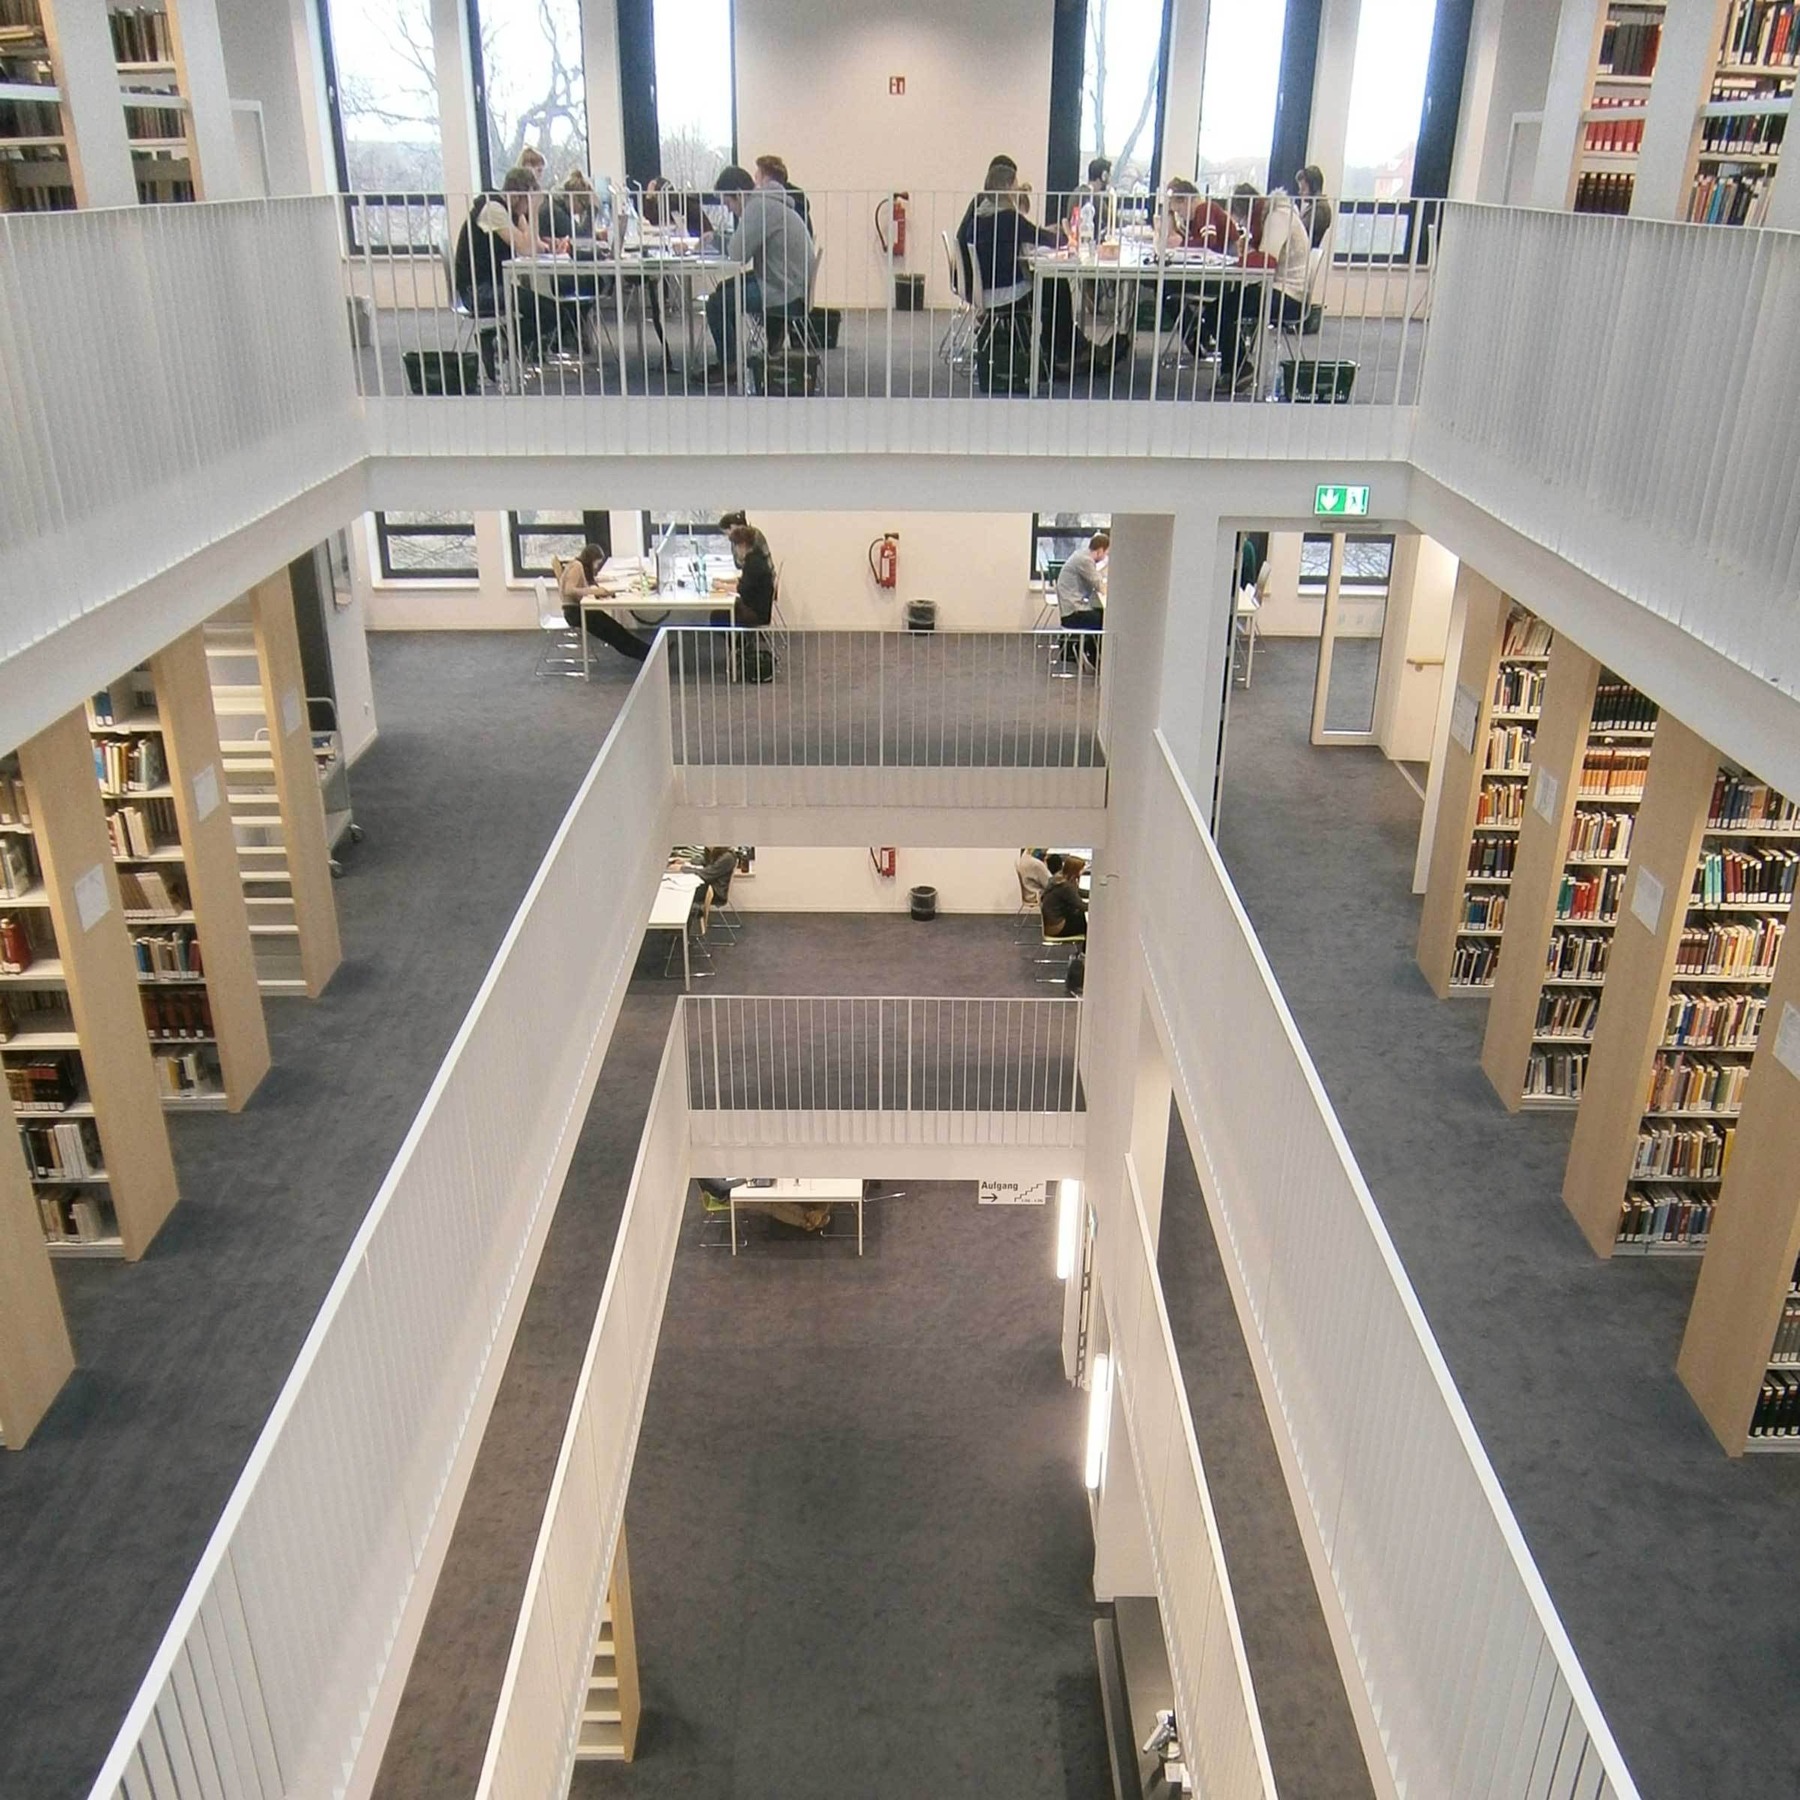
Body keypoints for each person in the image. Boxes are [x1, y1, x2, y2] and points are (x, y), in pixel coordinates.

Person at [451, 166, 579, 379]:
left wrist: (550, 245)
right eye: (529, 199)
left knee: (550, 309)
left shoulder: (509, 210)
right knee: (547, 313)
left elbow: (533, 245)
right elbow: (526, 249)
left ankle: (498, 340)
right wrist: (535, 212)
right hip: (478, 289)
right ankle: (494, 339)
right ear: (519, 195)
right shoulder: (493, 210)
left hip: (497, 283)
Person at [956, 160, 1071, 384]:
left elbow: (1027, 232)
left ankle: (1055, 353)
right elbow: (1044, 238)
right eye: (1015, 185)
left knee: (1049, 288)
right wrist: (1065, 235)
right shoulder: (1008, 218)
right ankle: (1059, 354)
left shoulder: (980, 216)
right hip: (1005, 293)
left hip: (986, 290)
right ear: (1008, 187)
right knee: (1056, 287)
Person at [700, 164, 816, 384]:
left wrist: (716, 239)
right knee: (724, 290)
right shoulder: (766, 203)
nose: (730, 210)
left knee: (717, 303)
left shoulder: (758, 207)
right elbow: (741, 246)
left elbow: (737, 253)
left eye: (729, 203)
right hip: (789, 281)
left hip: (785, 290)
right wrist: (715, 238)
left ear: (739, 194)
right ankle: (731, 359)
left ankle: (729, 367)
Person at [559, 543, 651, 663]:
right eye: (596, 563)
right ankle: (646, 654)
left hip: (579, 609)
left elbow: (583, 584)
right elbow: (569, 590)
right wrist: (594, 591)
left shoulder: (578, 565)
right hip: (575, 613)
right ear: (591, 560)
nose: (596, 567)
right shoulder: (576, 566)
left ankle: (647, 652)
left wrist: (601, 582)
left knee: (615, 629)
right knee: (614, 631)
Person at [1055, 531, 1108, 664]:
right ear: (1100, 550)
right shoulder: (1085, 561)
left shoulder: (1081, 555)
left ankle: (1089, 654)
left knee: (1101, 614)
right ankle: (1095, 660)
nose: (1106, 556)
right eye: (1106, 553)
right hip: (1072, 613)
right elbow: (1098, 584)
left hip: (1070, 608)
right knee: (1105, 619)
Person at [754, 153, 812, 231]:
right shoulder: (797, 196)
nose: (756, 179)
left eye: (758, 175)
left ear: (766, 178)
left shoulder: (772, 201)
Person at [1040, 855, 1088, 939]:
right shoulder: (1065, 886)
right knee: (1090, 924)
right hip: (1057, 927)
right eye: (1081, 869)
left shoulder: (1059, 878)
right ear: (1075, 870)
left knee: (1082, 917)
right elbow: (1081, 906)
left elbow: (1077, 892)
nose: (1083, 871)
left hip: (1051, 923)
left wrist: (1093, 894)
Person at [1294, 165, 1334, 249]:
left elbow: (1300, 233)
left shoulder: (1319, 210)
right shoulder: (1316, 207)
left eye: (1303, 189)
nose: (1300, 192)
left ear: (1314, 187)